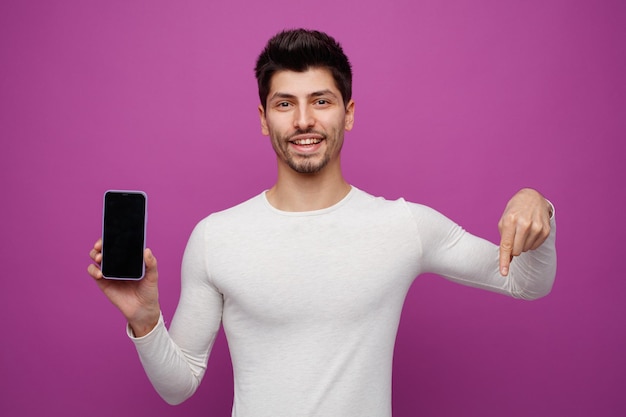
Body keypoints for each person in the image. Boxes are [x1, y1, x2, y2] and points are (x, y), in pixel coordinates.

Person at [88, 28, 556, 417]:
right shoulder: (216, 236)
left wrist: (539, 204)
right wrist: (146, 321)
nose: (304, 120)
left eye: (322, 101)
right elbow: (180, 385)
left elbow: (525, 282)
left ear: (348, 114)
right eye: (285, 104)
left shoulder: (403, 225)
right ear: (264, 118)